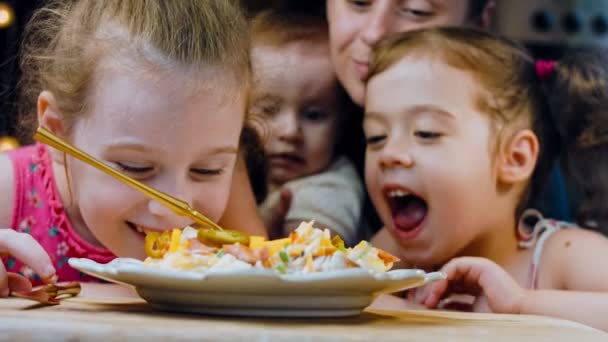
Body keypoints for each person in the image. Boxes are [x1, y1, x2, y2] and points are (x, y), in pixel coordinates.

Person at [0, 0, 266, 295]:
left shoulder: (229, 209)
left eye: (207, 170)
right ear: (58, 129)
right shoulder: (8, 191)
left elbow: (262, 291)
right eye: (136, 168)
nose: (172, 209)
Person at [362, 26, 608, 330]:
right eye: (375, 137)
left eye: (426, 133)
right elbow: (341, 303)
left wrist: (521, 305)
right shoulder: (392, 253)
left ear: (514, 158)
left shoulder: (564, 256)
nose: (389, 154)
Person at [250, 9, 364, 245]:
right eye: (269, 110)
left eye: (314, 115)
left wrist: (266, 230)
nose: (290, 131)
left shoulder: (329, 188)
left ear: (342, 123)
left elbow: (309, 257)